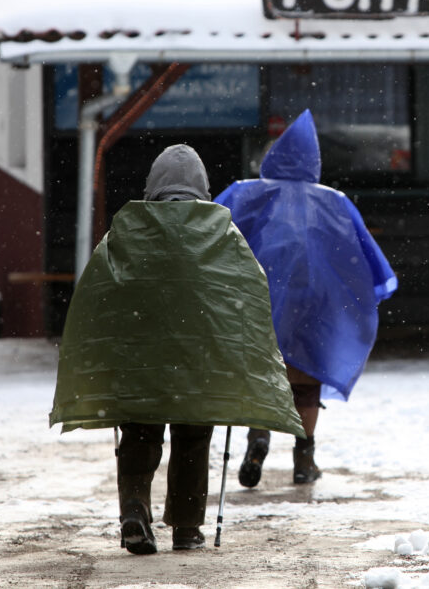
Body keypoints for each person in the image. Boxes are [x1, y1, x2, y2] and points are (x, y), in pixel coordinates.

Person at [50, 144, 304, 555]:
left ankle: (135, 508)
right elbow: (247, 288)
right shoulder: (220, 231)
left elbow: (99, 292)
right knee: (193, 433)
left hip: (138, 356)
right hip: (199, 356)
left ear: (152, 185)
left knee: (139, 428)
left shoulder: (128, 229)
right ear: (202, 188)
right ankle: (186, 527)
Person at [215, 110, 397, 486]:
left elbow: (212, 239)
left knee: (263, 375)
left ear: (273, 158)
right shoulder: (335, 202)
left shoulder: (245, 193)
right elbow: (365, 261)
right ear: (313, 162)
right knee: (306, 384)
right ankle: (304, 456)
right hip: (318, 307)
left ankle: (258, 440)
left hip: (259, 302)